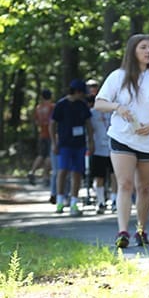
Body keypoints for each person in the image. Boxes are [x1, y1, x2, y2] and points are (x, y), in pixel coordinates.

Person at [95, 34, 149, 248]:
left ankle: (141, 231)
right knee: (125, 184)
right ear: (133, 51)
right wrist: (117, 108)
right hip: (122, 137)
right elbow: (99, 103)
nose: (148, 51)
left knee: (145, 187)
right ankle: (123, 232)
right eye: (143, 47)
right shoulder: (118, 76)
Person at [50, 79, 94, 216]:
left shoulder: (82, 105)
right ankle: (60, 201)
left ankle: (74, 202)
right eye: (82, 92)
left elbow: (88, 124)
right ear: (77, 91)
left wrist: (91, 142)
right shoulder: (61, 105)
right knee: (62, 171)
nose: (84, 95)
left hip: (79, 144)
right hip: (64, 144)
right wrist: (54, 142)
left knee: (77, 172)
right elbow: (52, 124)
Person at [87, 93, 118, 214]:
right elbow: (89, 129)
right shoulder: (92, 113)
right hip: (98, 148)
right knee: (99, 176)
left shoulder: (113, 112)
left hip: (113, 148)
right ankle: (100, 201)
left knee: (114, 175)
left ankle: (114, 200)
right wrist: (90, 143)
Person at [28, 89, 55, 188]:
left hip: (42, 134)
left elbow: (36, 122)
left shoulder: (38, 108)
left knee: (41, 155)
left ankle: (32, 171)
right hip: (50, 134)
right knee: (48, 156)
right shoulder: (52, 107)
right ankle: (46, 177)